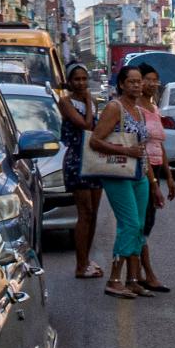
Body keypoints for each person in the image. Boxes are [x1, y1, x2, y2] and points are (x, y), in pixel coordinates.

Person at [90, 64, 154, 300]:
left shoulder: (138, 110)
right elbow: (95, 141)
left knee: (138, 225)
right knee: (128, 223)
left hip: (139, 173)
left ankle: (133, 279)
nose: (137, 85)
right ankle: (114, 279)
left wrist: (152, 181)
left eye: (140, 81)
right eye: (132, 82)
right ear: (121, 84)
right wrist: (126, 151)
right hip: (117, 173)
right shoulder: (114, 108)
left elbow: (143, 148)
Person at [56, 63, 103, 279]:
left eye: (84, 78)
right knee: (84, 213)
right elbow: (85, 126)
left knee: (93, 214)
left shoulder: (90, 101)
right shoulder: (65, 102)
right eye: (77, 79)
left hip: (94, 159)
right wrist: (88, 102)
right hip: (77, 159)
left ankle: (87, 259)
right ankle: (80, 264)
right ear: (69, 81)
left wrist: (90, 102)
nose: (82, 83)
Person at [137, 64, 175, 293]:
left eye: (155, 79)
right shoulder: (136, 110)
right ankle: (145, 274)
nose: (152, 84)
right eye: (147, 80)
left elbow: (159, 145)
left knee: (147, 223)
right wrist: (153, 184)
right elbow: (142, 149)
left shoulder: (153, 108)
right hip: (143, 170)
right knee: (142, 223)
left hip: (157, 168)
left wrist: (169, 177)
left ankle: (139, 273)